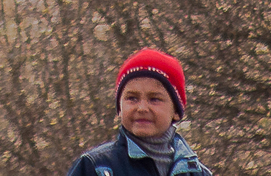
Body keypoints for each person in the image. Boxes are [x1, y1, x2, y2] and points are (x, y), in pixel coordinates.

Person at [65, 49, 211, 176]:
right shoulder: (97, 168)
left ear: (176, 112)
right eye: (132, 98)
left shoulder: (196, 172)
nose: (142, 108)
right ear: (120, 108)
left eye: (154, 99)